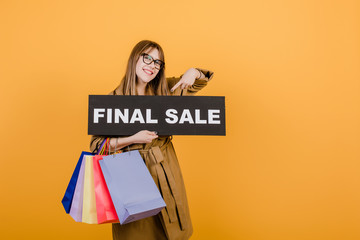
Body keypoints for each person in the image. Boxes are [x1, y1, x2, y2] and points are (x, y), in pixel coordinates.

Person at [90, 40, 214, 240]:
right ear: (134, 59)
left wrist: (193, 72)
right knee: (138, 232)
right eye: (147, 58)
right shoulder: (114, 99)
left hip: (165, 169)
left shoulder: (167, 89)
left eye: (158, 62)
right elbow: (97, 145)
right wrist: (132, 138)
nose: (152, 65)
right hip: (130, 175)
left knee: (172, 229)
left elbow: (200, 81)